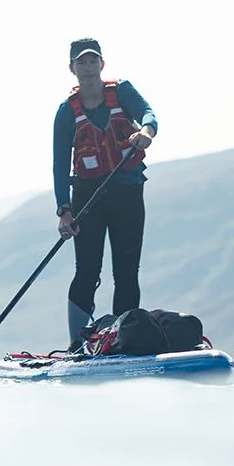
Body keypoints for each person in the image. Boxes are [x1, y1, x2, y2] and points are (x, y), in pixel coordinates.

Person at [53, 37, 158, 345]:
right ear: (72, 68)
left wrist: (146, 131)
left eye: (92, 61)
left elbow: (148, 114)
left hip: (127, 192)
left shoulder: (122, 91)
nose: (87, 67)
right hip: (88, 196)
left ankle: (124, 338)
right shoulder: (66, 112)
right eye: (81, 62)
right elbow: (60, 164)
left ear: (102, 64)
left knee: (126, 271)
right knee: (87, 271)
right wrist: (64, 210)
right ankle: (77, 344)